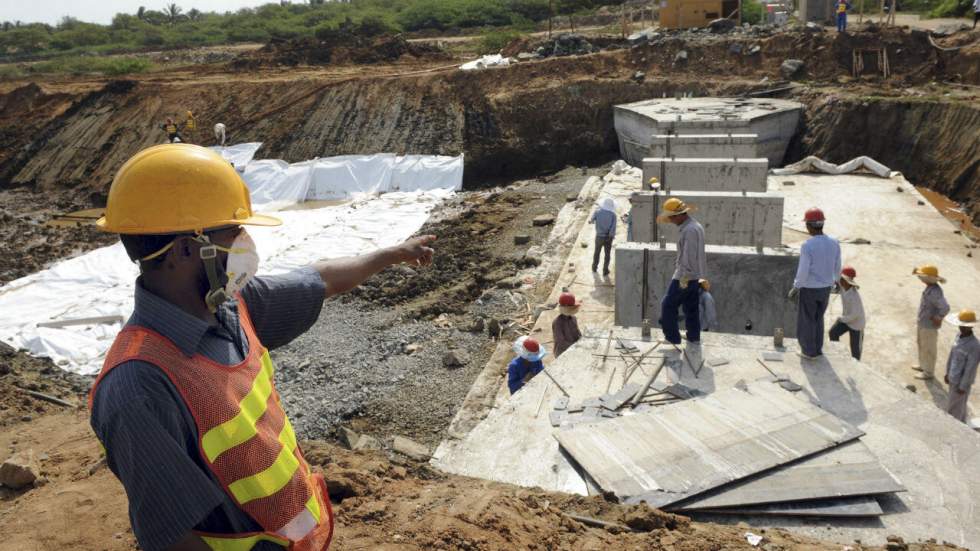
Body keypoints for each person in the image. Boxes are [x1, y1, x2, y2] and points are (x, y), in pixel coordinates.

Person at [88, 144, 436, 551]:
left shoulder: (233, 306)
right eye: (233, 232)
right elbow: (172, 539)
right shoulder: (139, 388)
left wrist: (389, 255)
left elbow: (318, 280)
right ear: (185, 249)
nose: (245, 243)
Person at [788, 207, 841, 360]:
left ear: (809, 226)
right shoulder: (834, 243)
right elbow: (837, 265)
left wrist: (796, 287)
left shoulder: (808, 246)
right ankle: (817, 349)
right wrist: (836, 280)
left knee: (807, 320)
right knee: (818, 319)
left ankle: (808, 351)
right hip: (825, 288)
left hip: (809, 289)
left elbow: (803, 270)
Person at [655, 198, 706, 355]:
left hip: (686, 276)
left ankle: (672, 337)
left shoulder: (689, 230)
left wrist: (682, 280)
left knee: (668, 305)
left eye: (671, 217)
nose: (670, 220)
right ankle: (693, 337)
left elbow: (689, 258)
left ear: (680, 215)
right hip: (695, 275)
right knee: (691, 307)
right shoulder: (695, 226)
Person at [912, 264, 950, 380]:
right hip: (923, 323)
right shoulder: (930, 288)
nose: (920, 278)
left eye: (922, 276)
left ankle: (928, 372)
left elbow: (945, 308)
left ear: (928, 278)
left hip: (929, 326)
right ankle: (923, 365)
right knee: (922, 345)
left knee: (929, 348)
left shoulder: (935, 292)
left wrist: (938, 318)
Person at [943, 309, 979, 422]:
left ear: (970, 327)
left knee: (953, 409)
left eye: (964, 326)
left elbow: (970, 369)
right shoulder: (958, 336)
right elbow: (952, 355)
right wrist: (948, 373)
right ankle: (962, 423)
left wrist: (963, 386)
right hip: (953, 377)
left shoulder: (974, 346)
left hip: (960, 383)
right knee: (958, 406)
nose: (961, 328)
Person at [828, 266, 865, 360]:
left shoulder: (854, 296)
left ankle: (857, 367)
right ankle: (836, 353)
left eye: (841, 278)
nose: (839, 280)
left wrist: (841, 319)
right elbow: (834, 284)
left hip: (857, 324)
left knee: (855, 351)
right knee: (833, 333)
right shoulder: (843, 286)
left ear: (846, 280)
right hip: (846, 319)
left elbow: (855, 315)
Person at [589, 197, 616, 276]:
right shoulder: (613, 215)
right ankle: (605, 270)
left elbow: (592, 220)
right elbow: (613, 228)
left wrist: (591, 221)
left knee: (597, 252)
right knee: (607, 254)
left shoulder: (597, 212)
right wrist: (611, 236)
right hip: (608, 237)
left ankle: (594, 267)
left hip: (599, 236)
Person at [552, 292, 582, 357]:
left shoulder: (573, 318)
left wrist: (582, 340)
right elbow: (561, 342)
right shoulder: (557, 323)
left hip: (574, 349)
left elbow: (577, 332)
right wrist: (575, 346)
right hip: (562, 353)